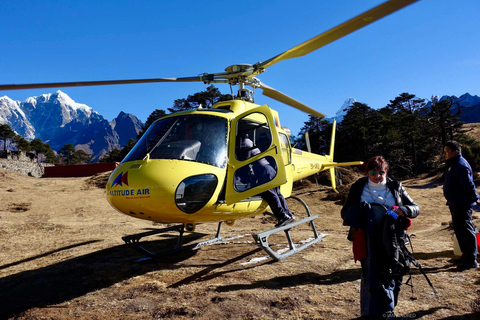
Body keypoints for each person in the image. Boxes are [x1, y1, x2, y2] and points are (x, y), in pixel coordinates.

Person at [341, 156, 420, 319]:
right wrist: (363, 209)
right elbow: (345, 213)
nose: (377, 175)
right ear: (367, 172)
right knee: (371, 275)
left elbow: (415, 208)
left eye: (381, 172)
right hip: (367, 238)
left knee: (394, 272)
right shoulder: (358, 187)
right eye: (373, 172)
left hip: (394, 237)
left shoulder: (396, 186)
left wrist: (404, 210)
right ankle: (369, 313)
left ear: (386, 172)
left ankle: (387, 311)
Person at [238, 136, 295, 228]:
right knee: (277, 193)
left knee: (270, 194)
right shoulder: (250, 141)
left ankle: (282, 216)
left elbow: (246, 159)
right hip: (269, 168)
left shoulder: (244, 142)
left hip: (263, 171)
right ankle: (288, 214)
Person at [443, 141, 479, 271]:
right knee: (459, 230)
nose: (445, 154)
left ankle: (471, 260)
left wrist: (475, 197)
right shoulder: (453, 164)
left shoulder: (460, 165)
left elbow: (468, 184)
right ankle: (465, 255)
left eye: (447, 151)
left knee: (466, 230)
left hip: (462, 203)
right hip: (455, 202)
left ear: (456, 152)